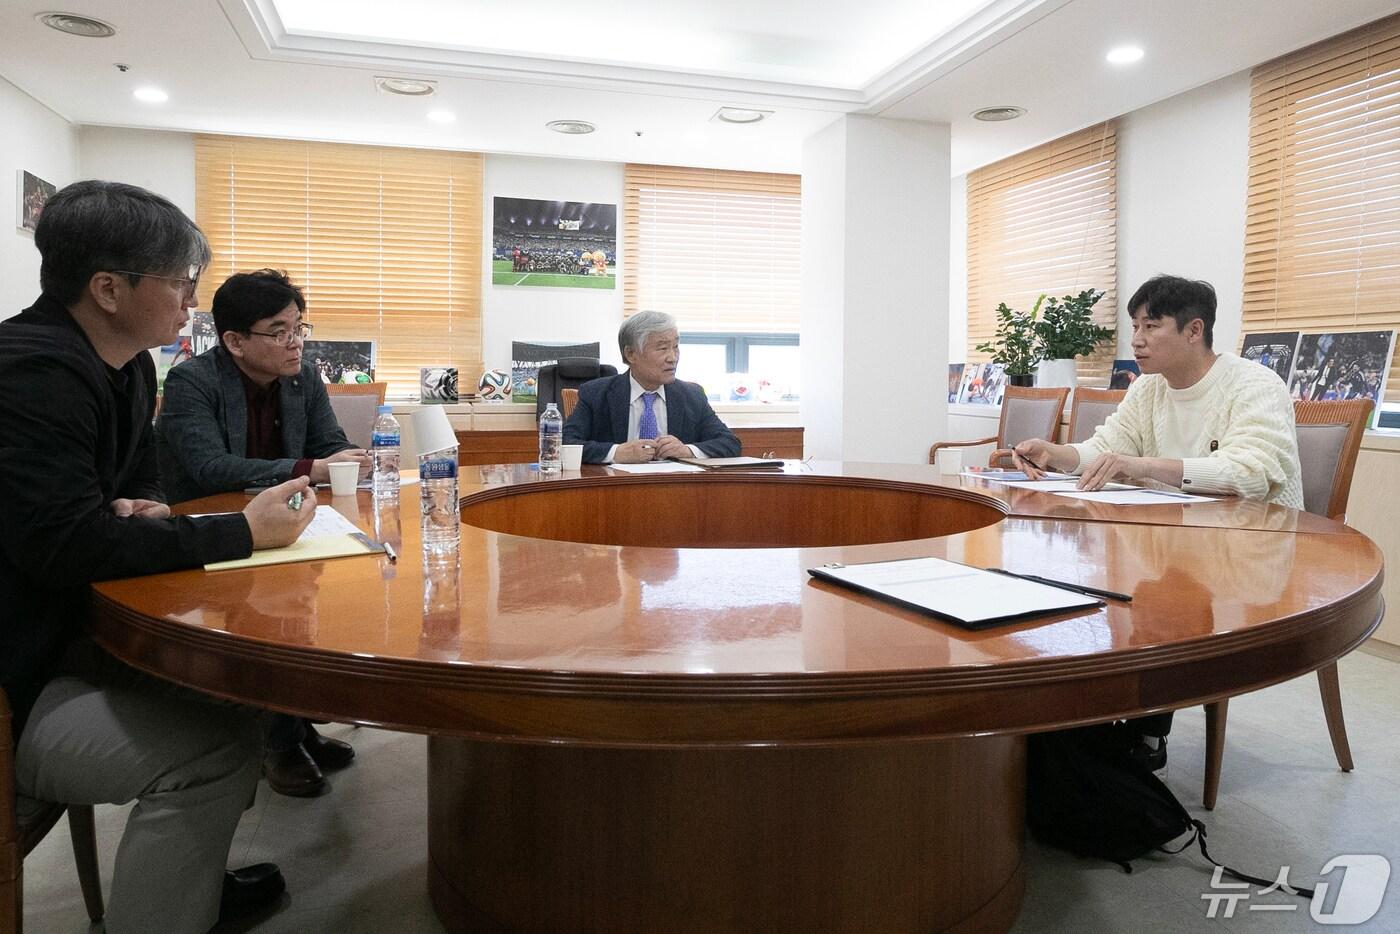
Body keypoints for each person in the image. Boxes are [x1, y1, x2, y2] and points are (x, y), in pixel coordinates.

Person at [1, 180, 317, 934]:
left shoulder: (128, 363)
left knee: (233, 681)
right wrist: (244, 532)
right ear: (108, 288)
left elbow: (140, 474)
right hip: (18, 678)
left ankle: (184, 883)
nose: (191, 304)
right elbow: (64, 544)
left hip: (68, 636)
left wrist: (140, 505)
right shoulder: (32, 374)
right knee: (211, 747)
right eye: (181, 284)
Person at [1011, 274, 1303, 770]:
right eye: (1134, 326)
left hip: (1248, 550)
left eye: (1151, 325)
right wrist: (1055, 452)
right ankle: (1099, 722)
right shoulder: (1148, 389)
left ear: (1194, 330)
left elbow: (1250, 473)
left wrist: (1142, 465)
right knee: (1088, 589)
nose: (1137, 339)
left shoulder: (1254, 384)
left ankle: (1141, 727)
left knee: (1147, 598)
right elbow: (1105, 448)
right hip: (1172, 540)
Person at [157, 268, 366, 797]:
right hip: (212, 528)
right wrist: (307, 469)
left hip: (291, 522)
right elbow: (208, 467)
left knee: (302, 614)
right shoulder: (191, 381)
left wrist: (329, 465)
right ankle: (276, 741)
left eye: (299, 327)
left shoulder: (303, 378)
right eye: (279, 331)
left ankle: (295, 724)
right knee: (264, 623)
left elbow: (331, 444)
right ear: (234, 341)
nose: (295, 342)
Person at [563, 310, 740, 464]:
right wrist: (616, 452)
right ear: (631, 354)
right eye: (663, 348)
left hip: (675, 492)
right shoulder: (596, 394)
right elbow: (565, 443)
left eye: (676, 347)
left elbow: (730, 443)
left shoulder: (691, 395)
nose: (673, 357)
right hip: (615, 492)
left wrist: (687, 450)